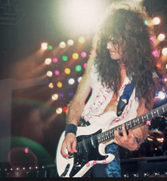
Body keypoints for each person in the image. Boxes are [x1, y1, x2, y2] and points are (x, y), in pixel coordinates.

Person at [60, 4, 161, 177]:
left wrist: (134, 142)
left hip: (108, 145)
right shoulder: (97, 63)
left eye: (114, 41)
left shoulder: (148, 77)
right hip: (80, 136)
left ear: (131, 42)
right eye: (107, 40)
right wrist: (70, 132)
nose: (107, 46)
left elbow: (142, 119)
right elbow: (77, 101)